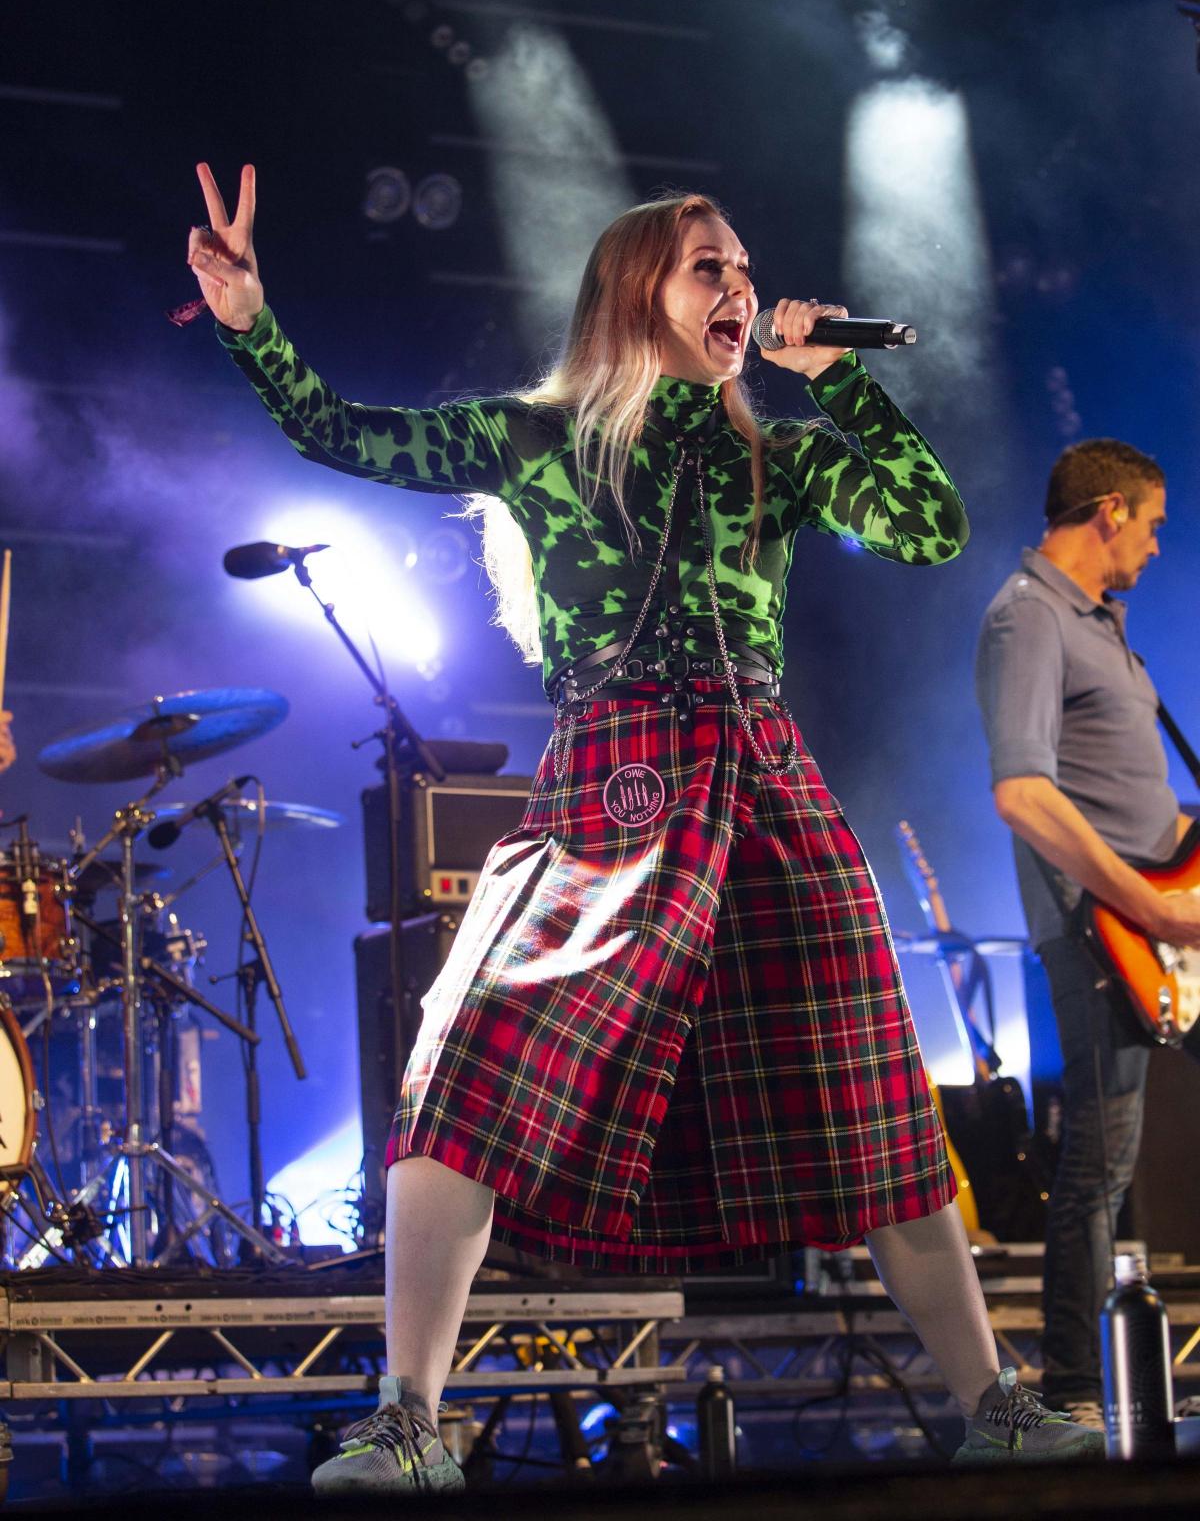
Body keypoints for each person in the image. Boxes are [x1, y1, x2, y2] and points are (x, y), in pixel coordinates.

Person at [188, 162, 1100, 1491]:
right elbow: (343, 431)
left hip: (764, 771)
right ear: (638, 294)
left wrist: (837, 377)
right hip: (613, 773)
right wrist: (250, 324)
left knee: (875, 1094)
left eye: (741, 268)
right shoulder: (538, 438)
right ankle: (409, 1420)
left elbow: (930, 525)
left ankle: (993, 1404)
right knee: (467, 1072)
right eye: (709, 268)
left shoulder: (769, 455)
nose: (738, 288)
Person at [976, 439, 1200, 1426]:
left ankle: (1079, 1383)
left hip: (1160, 918)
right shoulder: (1026, 616)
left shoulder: (1102, 626)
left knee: (1109, 1159)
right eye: (1152, 523)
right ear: (1110, 511)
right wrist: (1152, 907)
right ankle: (1069, 1388)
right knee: (1099, 1162)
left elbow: (1135, 802)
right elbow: (1024, 794)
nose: (1157, 546)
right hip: (1105, 931)